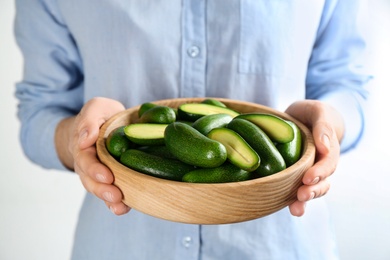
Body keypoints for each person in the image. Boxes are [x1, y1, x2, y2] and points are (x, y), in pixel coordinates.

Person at [14, 0, 370, 259]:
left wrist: (329, 125)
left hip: (282, 242)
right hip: (119, 245)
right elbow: (38, 113)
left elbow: (346, 86)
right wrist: (80, 137)